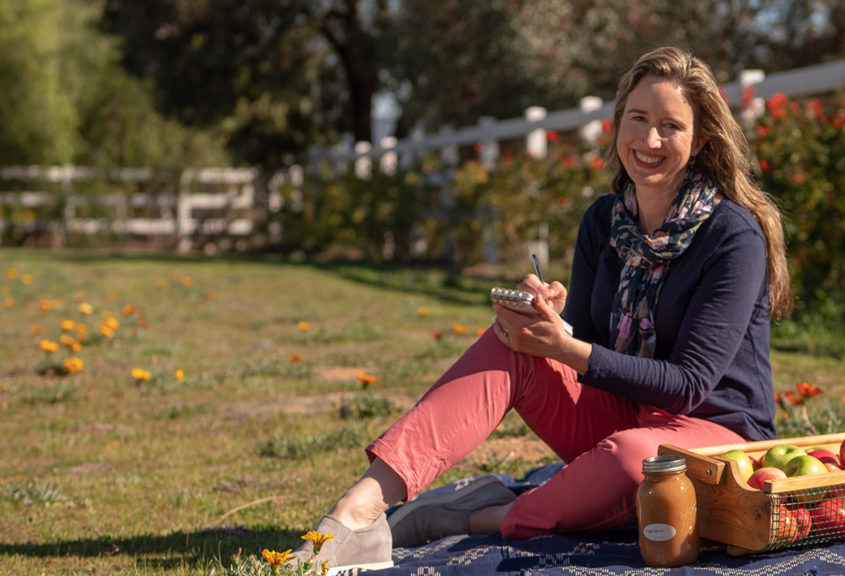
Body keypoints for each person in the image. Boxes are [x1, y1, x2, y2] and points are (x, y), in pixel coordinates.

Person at [286, 46, 793, 572]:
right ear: (618, 124)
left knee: (636, 461)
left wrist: (571, 349)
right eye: (638, 119)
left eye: (671, 126)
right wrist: (556, 325)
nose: (649, 140)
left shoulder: (732, 236)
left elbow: (689, 383)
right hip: (627, 416)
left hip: (716, 439)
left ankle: (477, 516)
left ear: (701, 140)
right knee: (513, 342)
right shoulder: (606, 221)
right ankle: (356, 514)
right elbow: (595, 340)